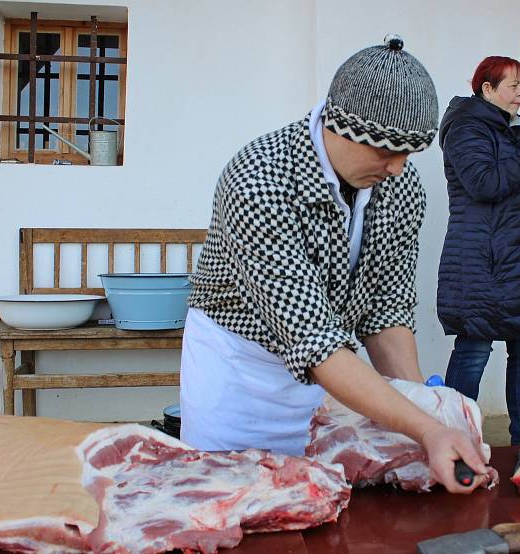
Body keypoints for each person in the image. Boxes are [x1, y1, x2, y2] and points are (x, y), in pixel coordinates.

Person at [180, 35, 489, 493]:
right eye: (386, 151)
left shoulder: (401, 188)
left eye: (409, 154)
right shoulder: (259, 179)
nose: (398, 169)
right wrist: (425, 429)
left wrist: (428, 415)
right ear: (337, 126)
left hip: (336, 381)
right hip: (242, 377)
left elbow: (387, 310)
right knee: (232, 507)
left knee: (323, 508)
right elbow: (314, 341)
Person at [436, 56, 520, 445]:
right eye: (514, 85)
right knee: (474, 350)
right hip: (480, 261)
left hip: (519, 261)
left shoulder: (518, 132)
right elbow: (484, 182)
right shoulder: (465, 128)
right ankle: (453, 440)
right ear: (488, 89)